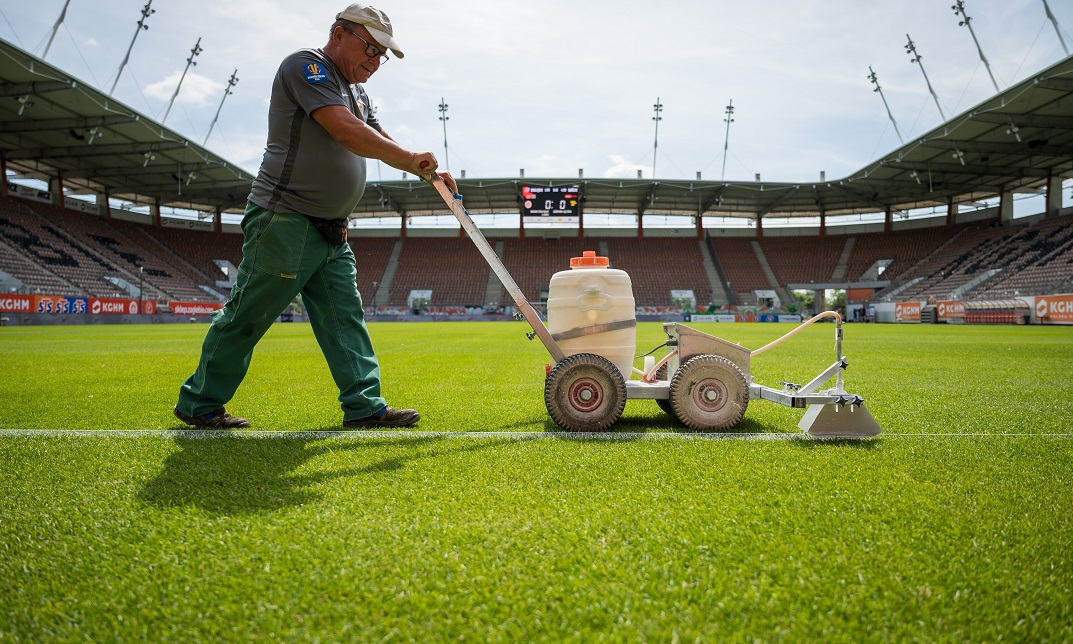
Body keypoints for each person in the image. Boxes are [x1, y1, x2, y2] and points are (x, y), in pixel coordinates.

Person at [174, 4, 455, 429]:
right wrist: (410, 158)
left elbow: (378, 137)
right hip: (285, 220)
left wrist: (426, 170)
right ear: (339, 34)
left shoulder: (359, 92)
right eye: (371, 49)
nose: (376, 62)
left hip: (331, 231)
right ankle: (200, 402)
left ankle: (364, 406)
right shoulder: (307, 67)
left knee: (345, 319)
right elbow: (343, 129)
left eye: (383, 56)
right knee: (248, 315)